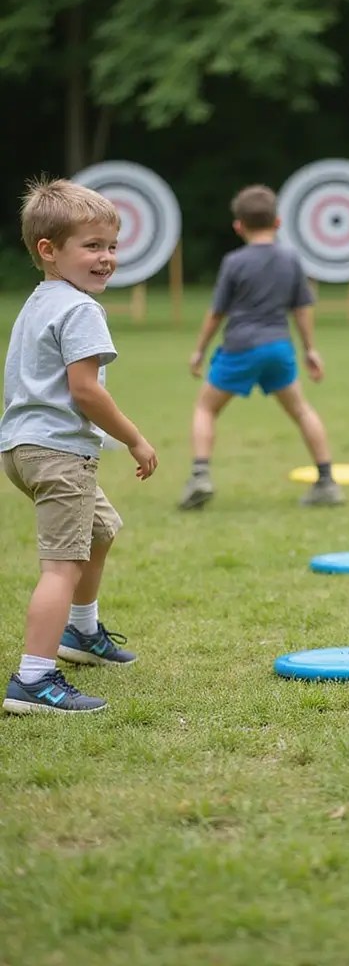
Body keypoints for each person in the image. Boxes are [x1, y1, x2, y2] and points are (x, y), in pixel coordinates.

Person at [1, 178, 158, 715]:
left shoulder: (41, 300)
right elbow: (85, 390)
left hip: (23, 449)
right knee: (60, 566)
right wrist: (134, 438)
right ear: (49, 251)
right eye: (92, 246)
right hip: (58, 453)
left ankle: (81, 634)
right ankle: (34, 680)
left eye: (112, 246)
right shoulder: (81, 309)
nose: (107, 258)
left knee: (100, 529)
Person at [179, 184, 345, 510]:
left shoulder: (234, 262)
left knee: (205, 408)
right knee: (300, 409)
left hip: (240, 347)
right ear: (278, 222)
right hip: (279, 348)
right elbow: (302, 308)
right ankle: (327, 481)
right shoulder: (291, 259)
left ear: (238, 225)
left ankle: (200, 476)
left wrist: (199, 349)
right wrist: (310, 348)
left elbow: (217, 312)